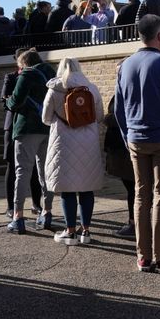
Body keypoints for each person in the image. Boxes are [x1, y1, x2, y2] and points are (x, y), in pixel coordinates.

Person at [114, 14, 160, 274]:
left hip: (136, 138)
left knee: (141, 194)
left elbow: (118, 108)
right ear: (159, 36)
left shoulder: (125, 65)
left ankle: (144, 256)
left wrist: (127, 135)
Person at [42, 58, 105, 245]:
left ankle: (69, 232)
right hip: (88, 144)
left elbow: (45, 118)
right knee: (86, 188)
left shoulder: (54, 89)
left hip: (63, 144)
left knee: (67, 189)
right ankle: (86, 231)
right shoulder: (91, 89)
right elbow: (99, 116)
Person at [5, 48, 56, 234]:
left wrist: (8, 101)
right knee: (45, 172)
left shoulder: (27, 74)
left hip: (27, 128)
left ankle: (17, 216)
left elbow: (16, 101)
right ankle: (47, 212)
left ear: (24, 63)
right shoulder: (52, 73)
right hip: (47, 128)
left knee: (22, 171)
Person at [1, 48, 43, 219]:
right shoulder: (11, 77)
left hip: (33, 126)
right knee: (13, 167)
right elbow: (5, 100)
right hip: (13, 126)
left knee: (35, 168)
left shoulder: (39, 76)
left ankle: (36, 204)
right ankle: (11, 206)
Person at [103, 96, 136, 238]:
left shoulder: (127, 93)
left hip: (125, 147)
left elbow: (118, 118)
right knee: (135, 187)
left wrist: (107, 118)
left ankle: (134, 223)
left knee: (134, 188)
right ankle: (137, 222)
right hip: (124, 146)